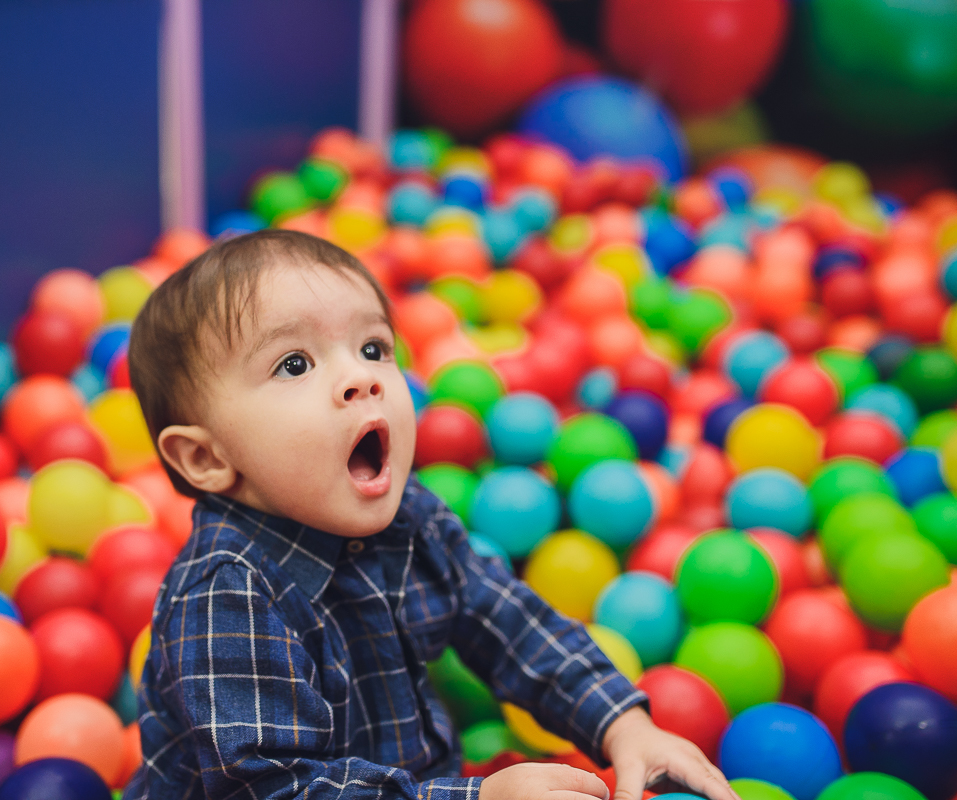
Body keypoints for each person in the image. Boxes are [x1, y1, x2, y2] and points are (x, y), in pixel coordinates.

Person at [122, 229, 737, 800]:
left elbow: (504, 618)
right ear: (205, 457)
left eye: (372, 347)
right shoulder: (227, 595)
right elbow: (279, 789)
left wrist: (621, 723)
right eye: (295, 364)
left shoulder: (409, 517)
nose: (361, 378)